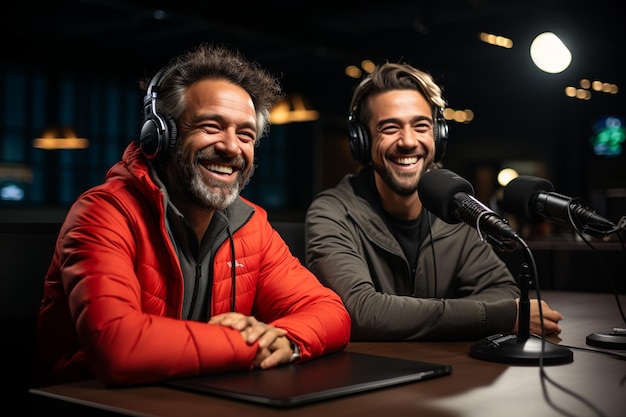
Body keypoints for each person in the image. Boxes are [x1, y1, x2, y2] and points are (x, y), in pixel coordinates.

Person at [31, 43, 351, 387]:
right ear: (161, 136)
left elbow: (331, 313)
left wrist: (286, 341)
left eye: (245, 134)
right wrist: (253, 343)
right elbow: (119, 346)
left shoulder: (251, 226)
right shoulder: (103, 214)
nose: (231, 147)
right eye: (211, 127)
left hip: (202, 398)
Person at [304, 62, 563, 341]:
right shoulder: (331, 212)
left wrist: (416, 316)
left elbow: (504, 291)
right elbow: (360, 311)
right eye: (390, 127)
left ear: (437, 136)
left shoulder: (455, 208)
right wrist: (497, 317)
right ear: (363, 141)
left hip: (446, 375)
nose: (408, 141)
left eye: (421, 126)